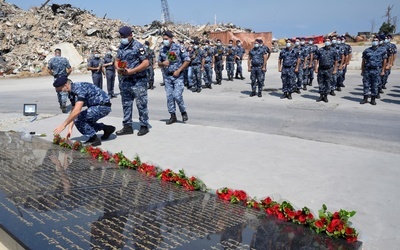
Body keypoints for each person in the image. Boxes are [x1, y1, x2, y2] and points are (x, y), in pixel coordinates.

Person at [52, 76, 115, 146]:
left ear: (65, 85)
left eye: (60, 90)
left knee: (79, 119)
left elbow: (77, 111)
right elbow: (73, 110)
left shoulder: (79, 89)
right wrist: (70, 128)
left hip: (103, 106)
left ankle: (93, 139)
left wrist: (63, 125)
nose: (61, 92)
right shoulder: (71, 93)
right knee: (84, 121)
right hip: (96, 106)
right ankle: (107, 128)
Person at [114, 26, 150, 136]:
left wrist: (132, 71)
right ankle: (127, 126)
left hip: (138, 80)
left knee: (141, 104)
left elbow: (146, 63)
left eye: (124, 36)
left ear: (130, 35)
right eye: (121, 37)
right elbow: (117, 60)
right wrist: (118, 68)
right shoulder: (121, 46)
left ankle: (144, 125)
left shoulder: (138, 46)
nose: (122, 38)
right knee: (126, 104)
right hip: (125, 80)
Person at [157, 30, 190, 125]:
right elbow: (158, 63)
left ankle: (183, 111)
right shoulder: (162, 50)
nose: (165, 41)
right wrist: (163, 63)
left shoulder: (179, 47)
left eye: (166, 39)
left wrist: (179, 70)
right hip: (167, 77)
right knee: (169, 97)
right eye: (163, 39)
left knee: (177, 96)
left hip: (178, 76)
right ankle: (172, 115)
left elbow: (187, 60)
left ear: (171, 39)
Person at [360, 35, 387, 105]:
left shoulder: (382, 50)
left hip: (376, 70)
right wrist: (362, 70)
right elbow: (363, 61)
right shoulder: (367, 50)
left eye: (376, 41)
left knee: (375, 85)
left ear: (379, 42)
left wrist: (383, 70)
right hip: (367, 70)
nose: (375, 42)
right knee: (366, 85)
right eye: (374, 41)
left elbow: (384, 61)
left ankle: (373, 99)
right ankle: (365, 98)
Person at [47, 48, 72, 113]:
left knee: (58, 91)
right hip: (63, 77)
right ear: (60, 53)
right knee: (64, 91)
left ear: (55, 53)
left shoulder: (51, 60)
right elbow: (70, 69)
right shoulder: (64, 60)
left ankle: (61, 103)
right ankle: (64, 103)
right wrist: (66, 75)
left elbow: (49, 70)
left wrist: (53, 75)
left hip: (56, 78)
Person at [314, 37, 338, 103]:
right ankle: (321, 95)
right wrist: (316, 68)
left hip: (329, 69)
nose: (327, 42)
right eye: (326, 41)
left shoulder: (334, 50)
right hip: (321, 69)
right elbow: (316, 59)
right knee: (320, 82)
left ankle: (325, 96)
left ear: (330, 42)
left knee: (328, 83)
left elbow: (336, 60)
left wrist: (335, 69)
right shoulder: (320, 50)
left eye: (328, 41)